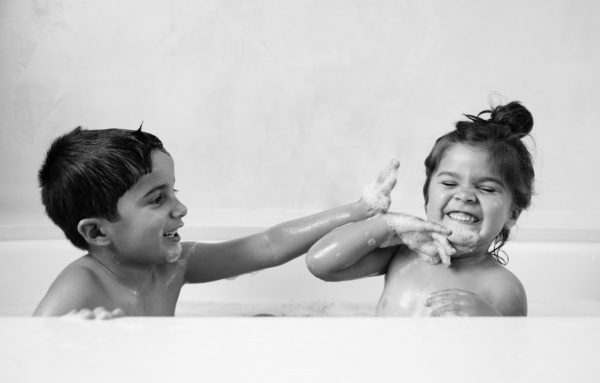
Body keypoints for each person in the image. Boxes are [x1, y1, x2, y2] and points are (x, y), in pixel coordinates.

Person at [33, 126, 448, 319]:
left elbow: (267, 246)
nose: (180, 209)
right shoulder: (82, 286)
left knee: (265, 331)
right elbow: (24, 359)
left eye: (174, 191)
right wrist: (66, 338)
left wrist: (358, 210)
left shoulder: (173, 265)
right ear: (97, 232)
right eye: (158, 199)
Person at [306, 101, 534, 317]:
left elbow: (512, 351)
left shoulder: (504, 289)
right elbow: (320, 264)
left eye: (486, 188)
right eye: (449, 183)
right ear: (427, 196)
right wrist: (387, 224)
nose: (464, 196)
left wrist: (490, 322)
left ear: (512, 215)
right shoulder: (403, 253)